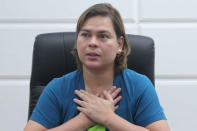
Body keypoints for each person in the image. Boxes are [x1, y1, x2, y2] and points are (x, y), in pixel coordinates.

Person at [24, 3, 170, 131]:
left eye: (103, 36)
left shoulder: (139, 86)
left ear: (120, 45)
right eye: (85, 35)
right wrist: (82, 121)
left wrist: (108, 118)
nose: (92, 42)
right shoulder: (58, 88)